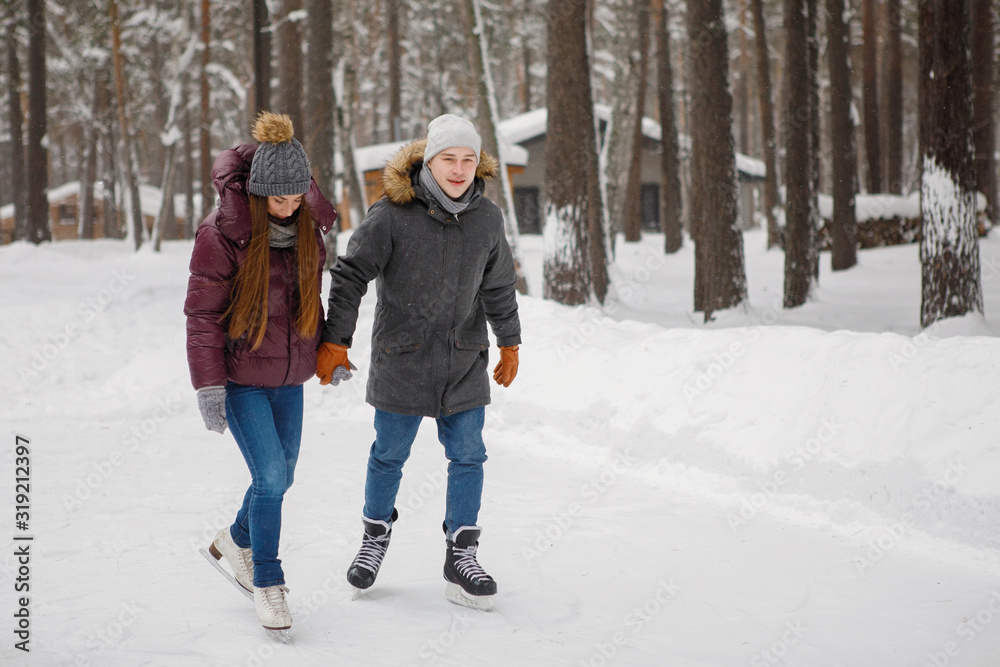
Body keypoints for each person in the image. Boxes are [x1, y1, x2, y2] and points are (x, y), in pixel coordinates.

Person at [317, 114, 521, 611]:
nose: (459, 169)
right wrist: (336, 340)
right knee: (389, 454)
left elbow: (497, 286)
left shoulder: (487, 219)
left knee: (469, 454)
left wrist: (510, 342)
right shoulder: (392, 214)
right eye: (449, 159)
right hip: (401, 357)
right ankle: (374, 536)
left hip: (463, 359)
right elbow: (349, 274)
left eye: (468, 159)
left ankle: (461, 554)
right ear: (428, 160)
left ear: (479, 164)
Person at [184, 112, 338, 636]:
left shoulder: (306, 230)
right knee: (270, 477)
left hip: (289, 379)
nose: (291, 207)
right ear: (257, 193)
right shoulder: (220, 235)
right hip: (243, 377)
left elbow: (312, 300)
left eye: (298, 198)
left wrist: (328, 352)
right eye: (280, 199)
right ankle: (269, 581)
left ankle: (234, 539)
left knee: (282, 477)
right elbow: (202, 315)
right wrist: (208, 385)